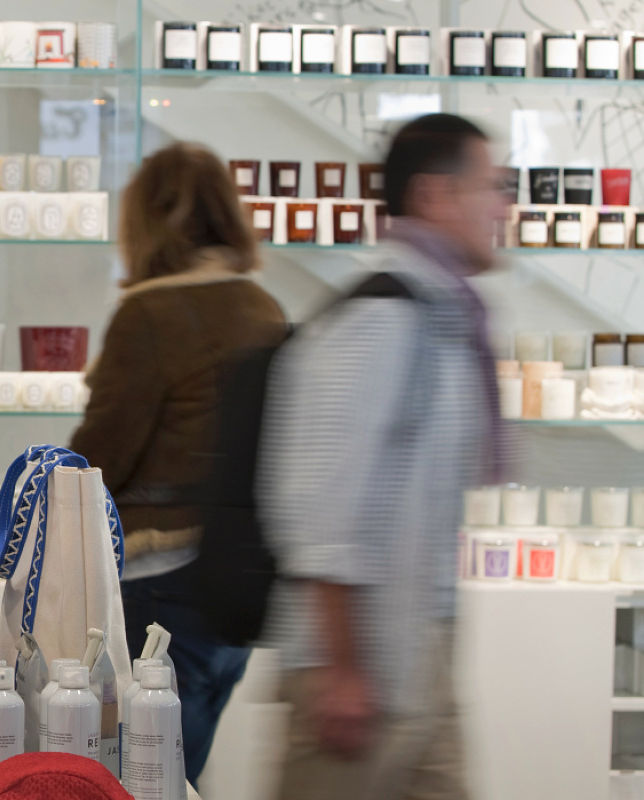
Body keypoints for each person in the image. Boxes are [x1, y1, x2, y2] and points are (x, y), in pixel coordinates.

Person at [260, 113, 508, 799]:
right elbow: (321, 508)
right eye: (493, 186)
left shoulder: (442, 315)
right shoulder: (379, 320)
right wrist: (344, 670)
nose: (504, 206)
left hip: (415, 649)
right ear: (436, 196)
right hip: (355, 665)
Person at [68, 142, 288, 782]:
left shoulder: (150, 313)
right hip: (235, 582)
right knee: (181, 774)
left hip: (159, 583)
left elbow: (102, 454)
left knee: (141, 778)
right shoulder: (260, 306)